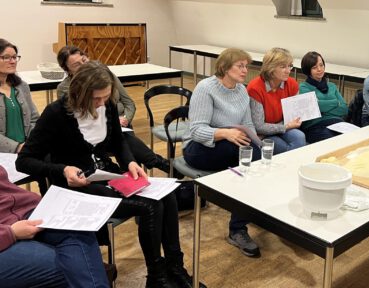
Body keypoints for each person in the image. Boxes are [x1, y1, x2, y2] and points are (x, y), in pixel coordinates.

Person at [16, 61, 202, 288]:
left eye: (105, 97)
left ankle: (174, 267)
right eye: (96, 99)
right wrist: (62, 169)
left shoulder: (109, 106)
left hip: (105, 175)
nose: (101, 103)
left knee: (168, 195)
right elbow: (24, 161)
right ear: (79, 94)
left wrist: (130, 162)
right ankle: (156, 276)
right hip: (76, 186)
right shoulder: (56, 113)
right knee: (151, 207)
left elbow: (118, 141)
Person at [183, 48, 262, 258]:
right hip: (198, 147)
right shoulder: (206, 88)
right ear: (225, 67)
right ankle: (237, 230)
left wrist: (260, 146)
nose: (245, 70)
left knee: (259, 157)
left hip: (230, 144)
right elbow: (196, 130)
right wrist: (225, 132)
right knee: (246, 159)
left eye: (247, 66)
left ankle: (247, 211)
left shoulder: (241, 90)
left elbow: (247, 124)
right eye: (240, 66)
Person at [56, 45, 172, 175]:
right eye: (77, 65)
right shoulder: (65, 88)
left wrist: (126, 119)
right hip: (93, 133)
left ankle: (137, 173)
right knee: (125, 142)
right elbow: (76, 120)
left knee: (124, 139)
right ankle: (157, 164)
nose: (83, 65)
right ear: (67, 70)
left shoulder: (105, 76)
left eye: (84, 60)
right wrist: (112, 121)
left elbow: (129, 104)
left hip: (122, 125)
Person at [0, 165, 109, 288]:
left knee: (77, 228)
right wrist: (11, 233)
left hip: (26, 211)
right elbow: (26, 160)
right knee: (76, 269)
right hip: (9, 232)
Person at [246, 47, 306, 154]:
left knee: (299, 136)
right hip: (263, 133)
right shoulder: (255, 88)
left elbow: (295, 118)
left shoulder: (292, 84)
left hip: (282, 127)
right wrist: (286, 126)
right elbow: (259, 127)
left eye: (290, 66)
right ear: (270, 68)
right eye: (283, 67)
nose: (288, 71)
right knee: (283, 148)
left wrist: (286, 126)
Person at [298, 51, 348, 143]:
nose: (319, 69)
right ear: (308, 70)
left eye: (321, 65)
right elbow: (313, 108)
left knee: (351, 137)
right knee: (332, 141)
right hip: (314, 126)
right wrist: (336, 102)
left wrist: (321, 107)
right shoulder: (304, 87)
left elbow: (344, 109)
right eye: (314, 67)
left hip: (337, 123)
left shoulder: (332, 86)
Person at [0, 39, 39, 154]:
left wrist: (31, 143)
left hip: (27, 149)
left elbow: (34, 119)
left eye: (15, 57)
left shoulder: (22, 86)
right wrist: (17, 147)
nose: (13, 61)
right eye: (6, 57)